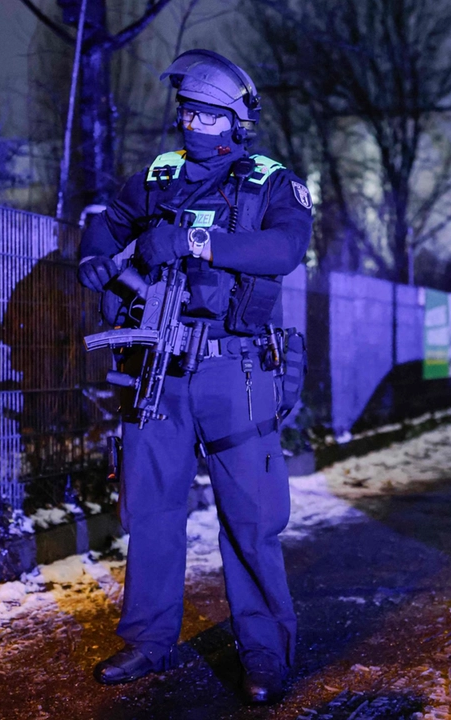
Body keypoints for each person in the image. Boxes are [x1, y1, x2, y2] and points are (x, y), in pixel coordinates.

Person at [75, 49, 312, 705]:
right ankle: (149, 640)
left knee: (250, 522)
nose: (192, 123)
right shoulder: (158, 175)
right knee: (150, 511)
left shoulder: (270, 180)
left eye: (208, 114)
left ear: (236, 120)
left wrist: (193, 243)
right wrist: (97, 256)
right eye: (186, 110)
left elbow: (285, 249)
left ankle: (264, 652)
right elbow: (104, 217)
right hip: (159, 369)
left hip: (234, 372)